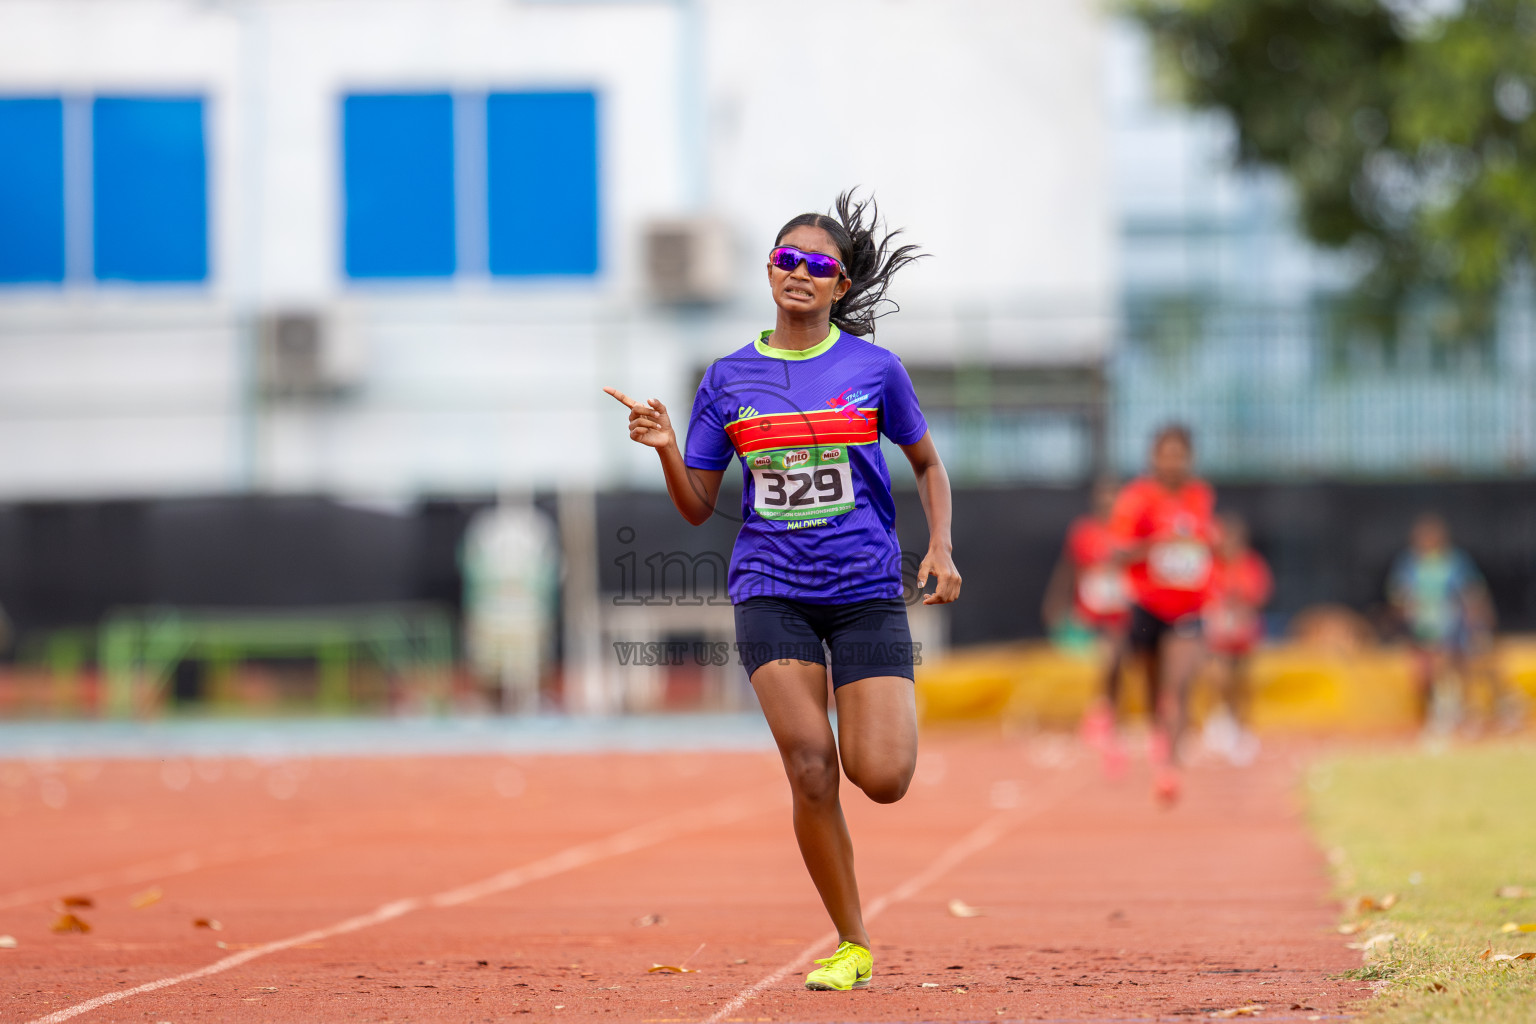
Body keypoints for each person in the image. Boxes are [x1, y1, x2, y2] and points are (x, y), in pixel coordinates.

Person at [604, 192, 960, 993]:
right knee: (809, 766)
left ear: (840, 285)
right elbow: (698, 506)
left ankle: (876, 749)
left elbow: (929, 464)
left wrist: (940, 544)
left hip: (865, 590)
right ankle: (852, 941)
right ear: (769, 271)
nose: (799, 273)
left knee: (883, 778)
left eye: (818, 265)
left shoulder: (875, 371)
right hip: (772, 590)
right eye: (786, 259)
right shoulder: (727, 378)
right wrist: (666, 449)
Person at [1108, 424, 1218, 805]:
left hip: (1189, 607)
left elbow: (1205, 545)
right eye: (1166, 455)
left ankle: (1169, 766)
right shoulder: (1137, 498)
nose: (1173, 463)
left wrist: (1205, 548)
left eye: (1179, 455)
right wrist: (1157, 545)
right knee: (1154, 684)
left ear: (1189, 458)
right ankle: (1160, 734)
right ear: (1154, 457)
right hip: (1148, 605)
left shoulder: (1200, 496)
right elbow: (1118, 552)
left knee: (1180, 680)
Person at [1042, 478, 1131, 776]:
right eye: (1104, 498)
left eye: (1113, 498)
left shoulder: (1130, 534)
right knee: (1109, 660)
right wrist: (1056, 600)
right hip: (1091, 613)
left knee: (1118, 661)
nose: (1108, 504)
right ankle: (1102, 714)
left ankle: (1107, 713)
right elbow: (1069, 568)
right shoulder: (1083, 533)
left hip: (1122, 612)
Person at [1387, 513, 1497, 733]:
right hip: (1422, 623)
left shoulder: (1455, 561)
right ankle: (1440, 710)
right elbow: (1399, 596)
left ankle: (1459, 710)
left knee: (1459, 665)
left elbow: (1472, 591)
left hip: (1452, 621)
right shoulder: (1409, 563)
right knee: (1429, 671)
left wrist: (1479, 619)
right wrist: (1403, 615)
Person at [1201, 512, 1271, 765]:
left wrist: (1239, 599)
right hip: (1218, 634)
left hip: (1244, 633)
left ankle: (1243, 729)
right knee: (1218, 679)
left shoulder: (1251, 564)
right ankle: (1221, 720)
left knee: (1242, 683)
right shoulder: (1212, 565)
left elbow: (1259, 595)